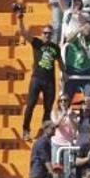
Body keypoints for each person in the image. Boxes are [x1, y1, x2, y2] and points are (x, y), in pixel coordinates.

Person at [18, 7, 65, 141]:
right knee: (31, 105)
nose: (47, 35)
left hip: (50, 80)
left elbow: (60, 61)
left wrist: (64, 72)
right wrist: (20, 18)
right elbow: (22, 32)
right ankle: (26, 129)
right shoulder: (37, 43)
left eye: (49, 33)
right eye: (45, 33)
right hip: (37, 79)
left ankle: (45, 132)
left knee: (48, 108)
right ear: (42, 33)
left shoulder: (55, 47)